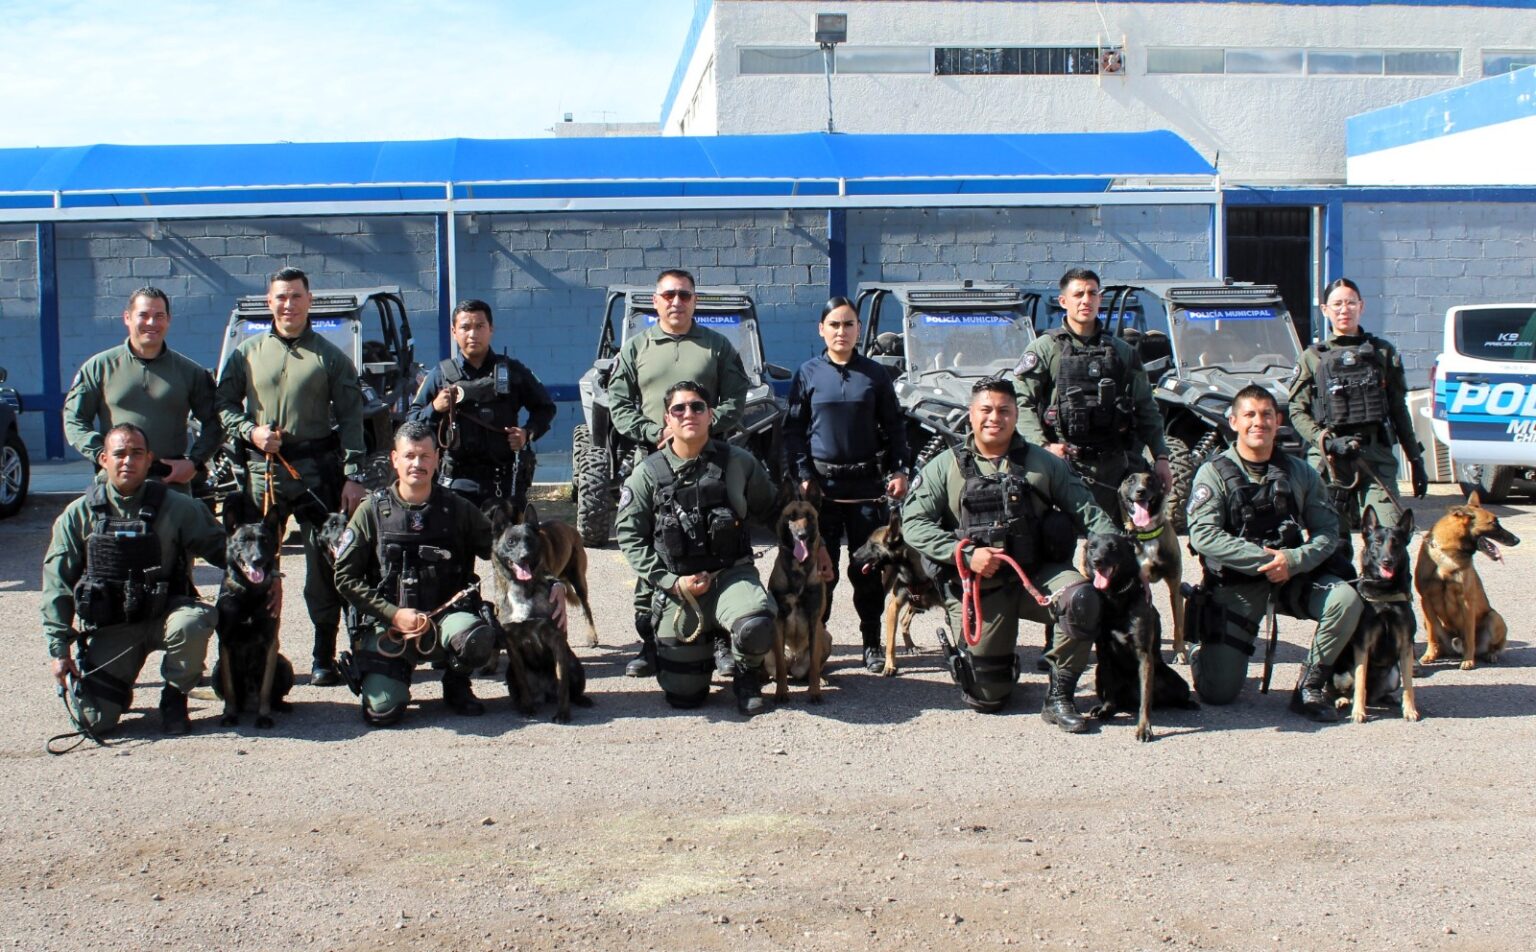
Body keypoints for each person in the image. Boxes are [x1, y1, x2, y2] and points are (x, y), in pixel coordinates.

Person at [900, 378, 1118, 731]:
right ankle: (996, 664)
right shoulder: (944, 466)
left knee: (1081, 599)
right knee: (987, 698)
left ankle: (1060, 696)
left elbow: (1089, 513)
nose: (994, 418)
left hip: (1037, 575)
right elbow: (913, 524)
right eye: (986, 410)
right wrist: (964, 555)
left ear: (1016, 415)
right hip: (978, 585)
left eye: (1004, 410)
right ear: (971, 414)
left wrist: (1120, 558)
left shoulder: (1044, 463)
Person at [215, 266, 367, 687]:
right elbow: (223, 405)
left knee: (324, 567)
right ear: (269, 302)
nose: (288, 304)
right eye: (280, 297)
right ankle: (257, 659)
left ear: (309, 300)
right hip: (262, 475)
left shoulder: (330, 357)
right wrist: (250, 432)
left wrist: (353, 474)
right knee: (255, 565)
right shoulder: (245, 354)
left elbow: (352, 418)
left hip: (316, 474)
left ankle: (323, 656)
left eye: (296, 296)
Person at [1186, 385, 1364, 721]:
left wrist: (1293, 560)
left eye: (1266, 414)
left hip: (1291, 576)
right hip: (1238, 585)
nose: (1259, 422)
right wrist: (1268, 560)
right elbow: (1204, 535)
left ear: (1278, 420)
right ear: (1234, 421)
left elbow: (1328, 532)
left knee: (1345, 598)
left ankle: (1310, 685)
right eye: (1250, 415)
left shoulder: (1301, 472)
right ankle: (1201, 651)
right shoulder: (1213, 472)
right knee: (1218, 694)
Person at [42, 424, 232, 735]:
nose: (128, 461)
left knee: (192, 622)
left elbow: (228, 553)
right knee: (92, 721)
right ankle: (115, 690)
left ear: (149, 459)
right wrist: (59, 650)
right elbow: (57, 585)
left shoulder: (178, 506)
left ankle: (175, 697)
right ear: (104, 459)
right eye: (119, 454)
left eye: (137, 453)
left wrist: (267, 575)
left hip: (167, 614)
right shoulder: (78, 515)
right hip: (114, 626)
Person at [607, 269, 751, 680]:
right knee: (656, 544)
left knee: (715, 542)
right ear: (655, 301)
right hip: (654, 463)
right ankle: (651, 640)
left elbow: (735, 398)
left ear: (694, 300)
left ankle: (720, 637)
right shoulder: (636, 348)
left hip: (709, 463)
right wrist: (655, 432)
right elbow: (619, 403)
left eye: (684, 295)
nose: (676, 302)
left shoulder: (716, 346)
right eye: (668, 295)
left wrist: (699, 427)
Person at [615, 381, 779, 717]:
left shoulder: (740, 462)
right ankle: (705, 645)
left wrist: (813, 549)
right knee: (684, 695)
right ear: (667, 419)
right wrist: (671, 582)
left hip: (731, 575)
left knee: (755, 623)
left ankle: (747, 676)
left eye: (697, 407)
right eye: (679, 408)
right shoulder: (647, 474)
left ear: (710, 415)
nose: (688, 413)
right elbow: (630, 537)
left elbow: (776, 511)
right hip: (680, 587)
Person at [332, 421, 498, 727]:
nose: (417, 464)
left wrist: (551, 581)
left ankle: (456, 682)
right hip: (389, 625)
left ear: (437, 459)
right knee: (382, 712)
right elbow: (344, 578)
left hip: (445, 619)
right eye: (409, 456)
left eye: (425, 456)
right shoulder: (371, 511)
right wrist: (393, 614)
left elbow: (504, 551)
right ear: (395, 459)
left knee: (476, 638)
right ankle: (396, 672)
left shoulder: (458, 508)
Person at [784, 296, 910, 671]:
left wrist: (899, 470)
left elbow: (895, 427)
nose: (842, 331)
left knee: (866, 571)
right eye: (834, 324)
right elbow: (793, 432)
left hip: (866, 489)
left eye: (849, 324)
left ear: (859, 329)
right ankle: (816, 642)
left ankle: (871, 642)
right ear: (821, 330)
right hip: (821, 491)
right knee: (822, 572)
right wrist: (803, 476)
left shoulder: (875, 374)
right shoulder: (807, 373)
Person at [1015, 268, 1172, 518]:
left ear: (1100, 299)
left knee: (1121, 537)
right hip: (1061, 465)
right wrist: (1043, 446)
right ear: (1063, 301)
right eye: (1078, 294)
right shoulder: (1044, 349)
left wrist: (1161, 456)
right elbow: (1021, 403)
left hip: (1115, 468)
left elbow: (1146, 407)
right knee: (1055, 533)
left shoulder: (1122, 351)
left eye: (1092, 293)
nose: (1086, 300)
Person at [1287, 277, 1427, 542]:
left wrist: (1415, 460)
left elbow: (1398, 410)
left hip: (1375, 457)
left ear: (1361, 306)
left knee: (1389, 540)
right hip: (1330, 462)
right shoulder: (1312, 357)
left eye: (1351, 303)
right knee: (1330, 544)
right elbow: (1297, 411)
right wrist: (1327, 441)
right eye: (1337, 304)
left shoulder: (1383, 353)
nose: (1344, 309)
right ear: (1325, 310)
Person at [63, 286, 221, 493]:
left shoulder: (190, 372)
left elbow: (216, 422)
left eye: (159, 316)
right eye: (143, 315)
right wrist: (101, 453)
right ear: (127, 318)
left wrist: (194, 462)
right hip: (116, 482)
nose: (151, 323)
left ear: (168, 320)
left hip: (171, 482)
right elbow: (74, 419)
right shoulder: (100, 367)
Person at [407, 299, 556, 515]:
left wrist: (527, 433)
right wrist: (435, 407)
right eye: (465, 327)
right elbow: (411, 424)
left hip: (503, 483)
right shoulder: (440, 376)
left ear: (491, 329)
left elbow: (545, 408)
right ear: (454, 332)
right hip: (455, 483)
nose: (472, 334)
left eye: (479, 326)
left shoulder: (512, 371)